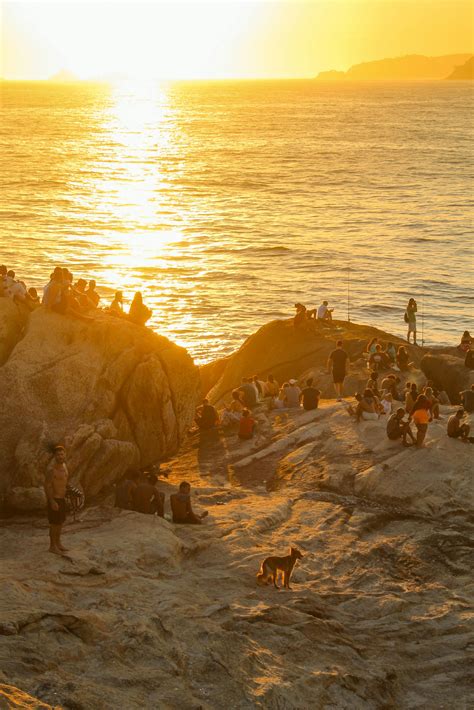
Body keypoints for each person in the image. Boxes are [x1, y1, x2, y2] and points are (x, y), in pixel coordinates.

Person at [44, 445, 69, 555]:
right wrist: (52, 501)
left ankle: (58, 543)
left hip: (62, 499)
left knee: (60, 523)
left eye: (62, 454)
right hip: (55, 499)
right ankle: (52, 546)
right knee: (54, 524)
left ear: (65, 455)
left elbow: (64, 482)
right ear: (54, 456)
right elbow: (47, 486)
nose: (60, 456)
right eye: (58, 454)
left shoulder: (64, 466)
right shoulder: (51, 470)